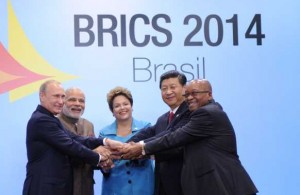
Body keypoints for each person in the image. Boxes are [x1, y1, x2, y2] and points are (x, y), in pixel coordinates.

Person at [121, 79, 258, 195]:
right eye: (187, 95)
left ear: (209, 94)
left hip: (224, 185)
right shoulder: (203, 113)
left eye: (195, 93)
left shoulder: (207, 113)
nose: (190, 98)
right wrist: (130, 148)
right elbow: (169, 135)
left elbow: (174, 137)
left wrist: (141, 148)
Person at [22, 80, 118, 195]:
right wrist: (99, 156)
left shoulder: (51, 119)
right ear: (42, 96)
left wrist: (105, 141)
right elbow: (71, 146)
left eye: (63, 97)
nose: (60, 101)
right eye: (56, 96)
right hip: (45, 188)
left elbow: (76, 139)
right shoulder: (42, 120)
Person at [127, 70, 190, 195]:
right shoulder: (163, 119)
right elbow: (146, 133)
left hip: (184, 185)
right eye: (164, 88)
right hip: (162, 187)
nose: (168, 92)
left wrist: (142, 151)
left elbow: (177, 146)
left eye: (173, 87)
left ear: (184, 88)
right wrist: (125, 146)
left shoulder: (191, 112)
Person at [99, 86, 154, 195]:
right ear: (112, 111)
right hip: (114, 188)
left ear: (131, 106)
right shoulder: (104, 134)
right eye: (117, 106)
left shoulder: (146, 127)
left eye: (125, 104)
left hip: (143, 187)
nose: (122, 108)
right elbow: (102, 162)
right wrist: (105, 166)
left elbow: (151, 152)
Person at [58, 87, 97, 195]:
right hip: (63, 188)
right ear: (63, 102)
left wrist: (105, 163)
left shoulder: (88, 125)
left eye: (81, 101)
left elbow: (92, 157)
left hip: (86, 188)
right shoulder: (54, 123)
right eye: (72, 100)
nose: (78, 104)